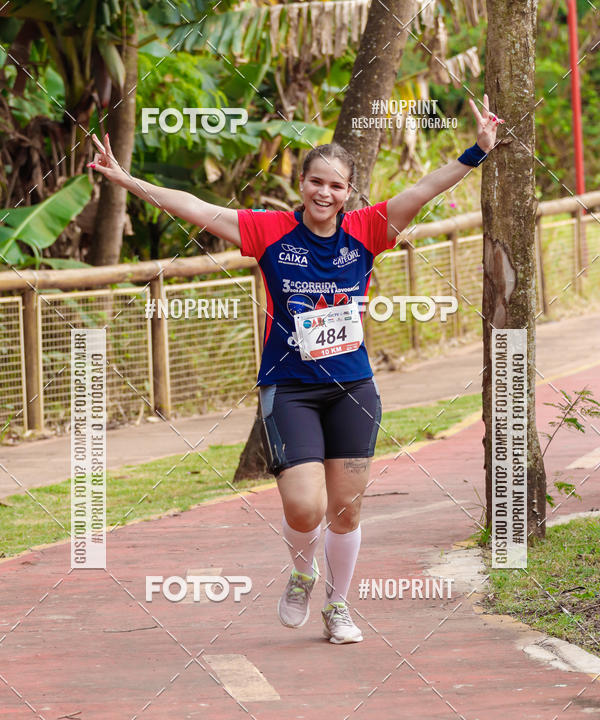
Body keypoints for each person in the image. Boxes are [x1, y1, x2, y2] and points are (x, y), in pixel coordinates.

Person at [89, 94, 502, 644]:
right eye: (316, 182)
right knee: (306, 509)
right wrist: (127, 180)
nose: (324, 193)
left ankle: (338, 606)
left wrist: (477, 150)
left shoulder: (370, 230)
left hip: (353, 387)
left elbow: (424, 188)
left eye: (336, 186)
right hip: (290, 388)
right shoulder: (268, 233)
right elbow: (193, 206)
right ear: (301, 185)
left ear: (349, 193)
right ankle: (303, 573)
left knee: (347, 511)